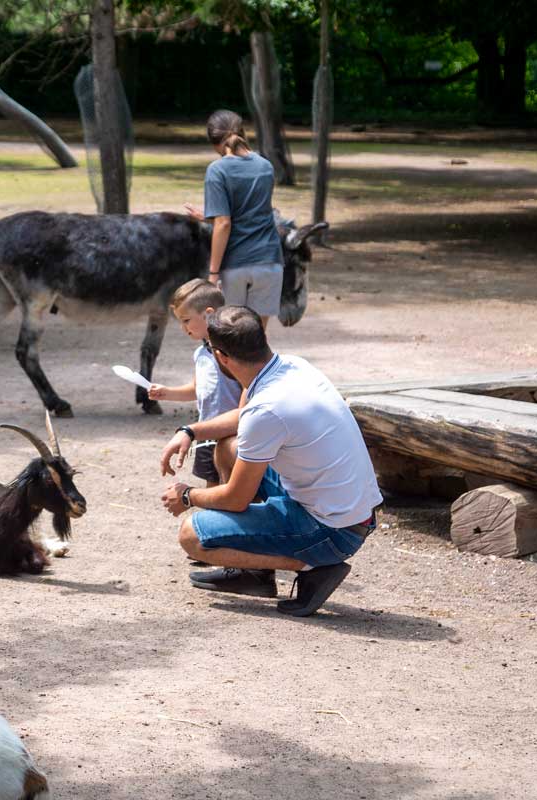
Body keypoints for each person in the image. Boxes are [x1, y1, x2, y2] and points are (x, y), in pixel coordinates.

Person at [157, 306, 383, 617]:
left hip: (334, 530)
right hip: (350, 511)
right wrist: (190, 431)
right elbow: (244, 418)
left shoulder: (267, 410)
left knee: (193, 536)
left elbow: (236, 499)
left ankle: (316, 566)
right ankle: (255, 575)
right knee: (229, 449)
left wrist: (186, 495)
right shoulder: (291, 366)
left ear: (221, 357)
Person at [182, 109, 284, 329]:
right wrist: (209, 217)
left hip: (236, 264)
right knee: (257, 337)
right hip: (269, 261)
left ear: (214, 142)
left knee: (230, 336)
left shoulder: (217, 170)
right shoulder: (265, 166)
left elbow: (225, 223)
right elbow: (249, 215)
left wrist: (213, 273)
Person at [146, 278, 242, 488]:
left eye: (186, 320)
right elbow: (197, 389)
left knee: (236, 488)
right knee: (212, 486)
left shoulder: (234, 352)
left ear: (208, 313)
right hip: (206, 432)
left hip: (234, 433)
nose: (183, 327)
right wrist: (168, 393)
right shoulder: (201, 354)